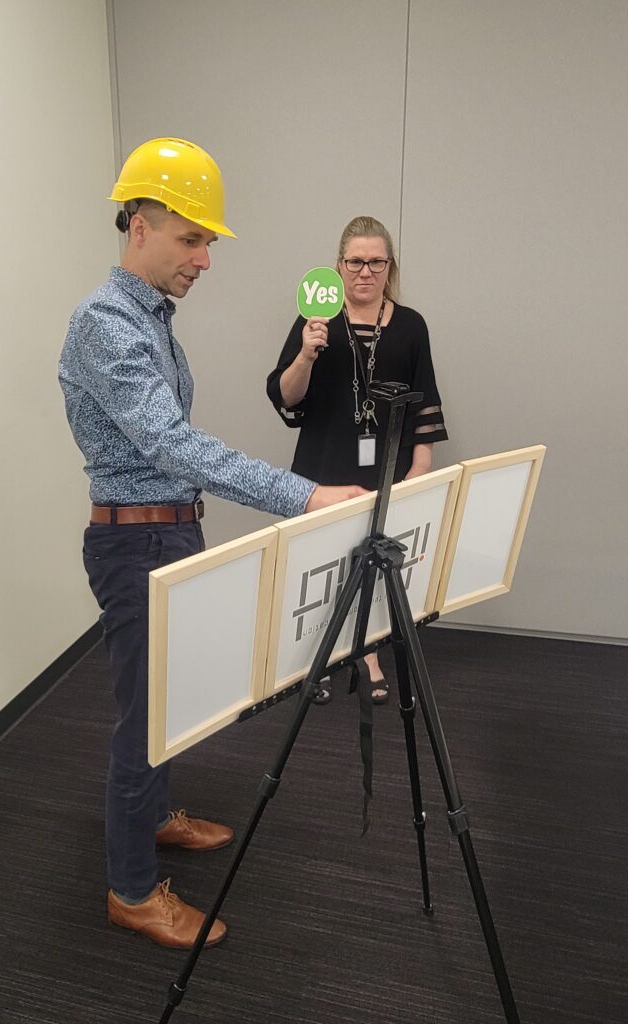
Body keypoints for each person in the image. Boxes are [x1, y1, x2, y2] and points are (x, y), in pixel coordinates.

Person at [58, 138, 366, 950]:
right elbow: (174, 445)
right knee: (144, 717)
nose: (205, 259)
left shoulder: (150, 319)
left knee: (171, 698)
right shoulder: (104, 323)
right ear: (138, 226)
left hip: (169, 531)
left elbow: (173, 447)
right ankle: (129, 890)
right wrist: (299, 495)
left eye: (207, 242)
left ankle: (156, 815)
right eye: (191, 239)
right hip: (135, 546)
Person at [266, 216, 448, 704]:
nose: (365, 272)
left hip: (386, 464)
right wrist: (305, 354)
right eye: (355, 261)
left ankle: (366, 649)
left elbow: (424, 397)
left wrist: (421, 468)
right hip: (324, 460)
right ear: (339, 266)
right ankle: (312, 654)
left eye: (376, 262)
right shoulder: (316, 324)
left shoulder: (411, 325)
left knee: (371, 558)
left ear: (390, 266)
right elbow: (287, 398)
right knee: (319, 561)